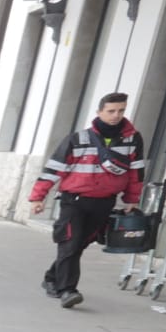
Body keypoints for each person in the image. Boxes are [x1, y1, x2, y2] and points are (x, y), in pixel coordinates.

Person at [30, 91, 146, 309]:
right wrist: (38, 197)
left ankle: (51, 278)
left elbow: (136, 172)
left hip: (104, 202)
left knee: (80, 244)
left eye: (121, 110)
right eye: (111, 111)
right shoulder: (78, 138)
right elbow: (55, 168)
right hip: (74, 200)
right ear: (99, 112)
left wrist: (132, 198)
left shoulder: (133, 139)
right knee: (70, 243)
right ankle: (68, 291)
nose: (116, 115)